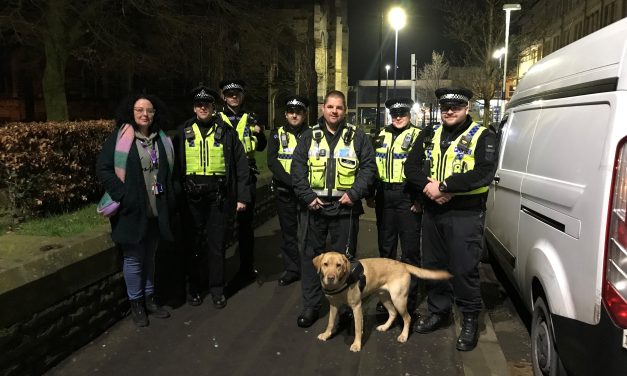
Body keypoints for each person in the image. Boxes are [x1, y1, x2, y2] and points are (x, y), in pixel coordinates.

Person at [404, 87, 497, 351]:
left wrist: (445, 187)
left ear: (467, 108)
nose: (449, 111)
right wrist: (430, 188)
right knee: (434, 264)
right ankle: (438, 311)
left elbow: (484, 173)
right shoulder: (430, 132)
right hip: (433, 210)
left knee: (464, 267)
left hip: (465, 212)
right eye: (445, 107)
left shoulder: (483, 135)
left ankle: (469, 319)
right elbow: (410, 167)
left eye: (456, 106)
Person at [291, 90, 376, 328]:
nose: (334, 111)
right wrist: (308, 197)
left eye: (339, 107)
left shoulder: (357, 137)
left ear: (345, 110)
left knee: (344, 263)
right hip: (314, 208)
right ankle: (310, 306)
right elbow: (296, 170)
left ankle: (346, 309)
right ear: (323, 108)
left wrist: (354, 193)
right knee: (312, 259)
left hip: (344, 209)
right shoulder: (309, 136)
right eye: (330, 107)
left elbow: (369, 168)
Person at [96, 93, 176, 327]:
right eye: (139, 110)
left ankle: (150, 300)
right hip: (131, 210)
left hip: (155, 209)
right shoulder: (120, 138)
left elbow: (170, 173)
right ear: (130, 112)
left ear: (155, 113)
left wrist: (170, 199)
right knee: (133, 259)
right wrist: (123, 195)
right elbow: (103, 168)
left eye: (149, 110)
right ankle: (136, 304)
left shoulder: (161, 139)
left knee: (150, 257)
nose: (144, 114)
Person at [176, 85, 250, 309]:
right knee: (193, 244)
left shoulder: (227, 133)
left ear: (213, 106)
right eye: (199, 104)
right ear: (194, 108)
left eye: (206, 104)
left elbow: (241, 166)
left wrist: (242, 197)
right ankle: (195, 288)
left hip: (218, 198)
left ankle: (217, 289)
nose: (202, 108)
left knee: (217, 245)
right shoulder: (183, 131)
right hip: (191, 198)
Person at [369, 97, 422, 315]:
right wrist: (371, 193)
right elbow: (372, 165)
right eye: (395, 114)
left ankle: (409, 300)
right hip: (384, 196)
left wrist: (419, 199)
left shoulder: (419, 136)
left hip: (407, 196)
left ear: (409, 115)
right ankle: (386, 299)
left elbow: (423, 169)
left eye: (402, 113)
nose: (398, 117)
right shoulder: (380, 135)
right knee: (386, 249)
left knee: (410, 251)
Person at [218, 79, 267, 286]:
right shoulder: (217, 117)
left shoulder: (251, 117)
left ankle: (246, 269)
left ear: (242, 95)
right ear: (224, 97)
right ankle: (219, 272)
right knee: (221, 226)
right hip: (224, 177)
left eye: (237, 93)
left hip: (247, 176)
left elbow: (262, 146)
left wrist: (260, 133)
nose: (234, 97)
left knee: (246, 227)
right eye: (230, 94)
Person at [267, 95, 310, 286]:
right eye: (291, 112)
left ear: (304, 114)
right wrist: (292, 182)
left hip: (307, 193)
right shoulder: (276, 134)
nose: (294, 115)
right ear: (286, 114)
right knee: (289, 234)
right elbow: (272, 161)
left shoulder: (313, 134)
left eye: (298, 112)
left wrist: (301, 185)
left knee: (309, 233)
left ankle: (310, 269)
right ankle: (293, 269)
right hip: (285, 191)